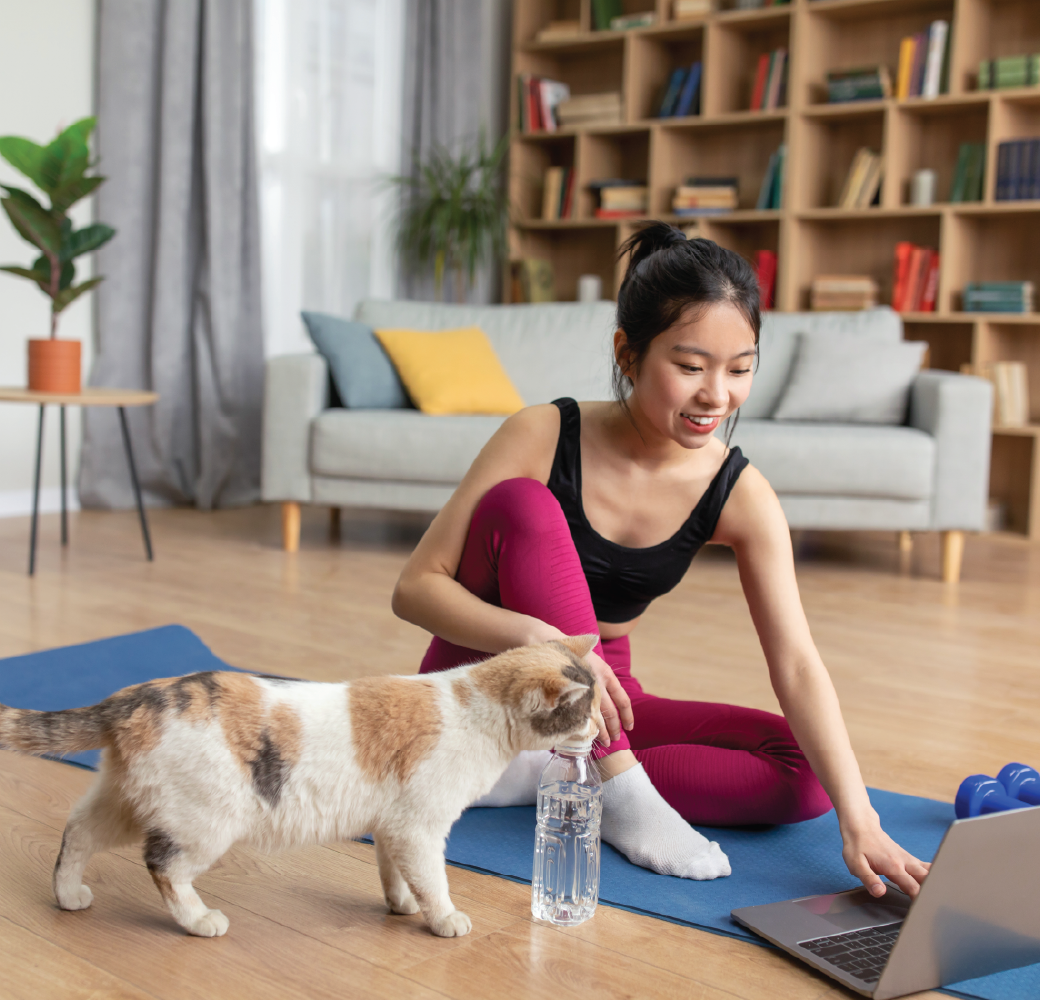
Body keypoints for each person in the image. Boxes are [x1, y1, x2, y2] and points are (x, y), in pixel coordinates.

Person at [391, 223, 930, 896]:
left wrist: (862, 820)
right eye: (690, 366)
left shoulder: (740, 493)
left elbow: (795, 661)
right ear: (628, 353)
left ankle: (552, 767)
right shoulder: (543, 433)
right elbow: (415, 589)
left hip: (609, 695)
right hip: (485, 680)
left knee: (806, 774)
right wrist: (547, 643)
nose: (716, 395)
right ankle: (613, 786)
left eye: (740, 369)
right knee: (524, 505)